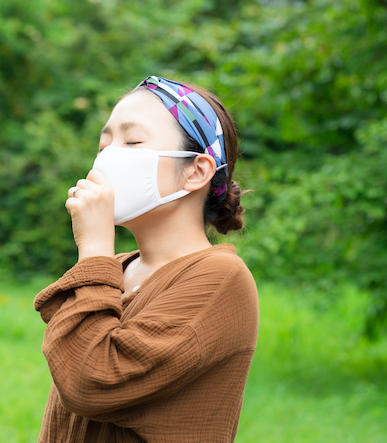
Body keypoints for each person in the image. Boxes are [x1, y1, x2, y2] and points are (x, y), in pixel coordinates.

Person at [34, 76, 259, 442]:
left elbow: (89, 381)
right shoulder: (116, 269)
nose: (108, 157)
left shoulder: (220, 277)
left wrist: (94, 247)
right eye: (104, 144)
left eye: (132, 141)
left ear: (196, 171)